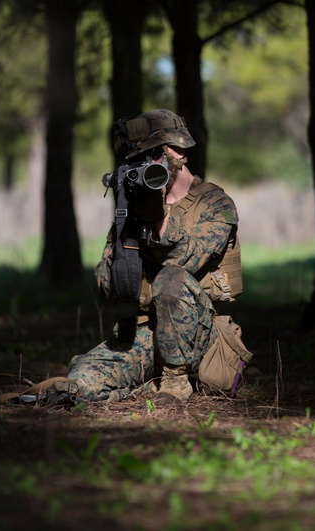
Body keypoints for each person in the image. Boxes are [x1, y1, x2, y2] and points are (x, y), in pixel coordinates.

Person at [23, 109, 243, 406]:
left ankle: (176, 383)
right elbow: (108, 284)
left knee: (171, 277)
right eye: (138, 160)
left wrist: (159, 218)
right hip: (148, 332)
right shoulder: (135, 208)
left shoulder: (215, 203)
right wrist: (133, 227)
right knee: (80, 380)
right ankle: (140, 385)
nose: (145, 166)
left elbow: (184, 263)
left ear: (177, 151)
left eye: (153, 155)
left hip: (202, 336)